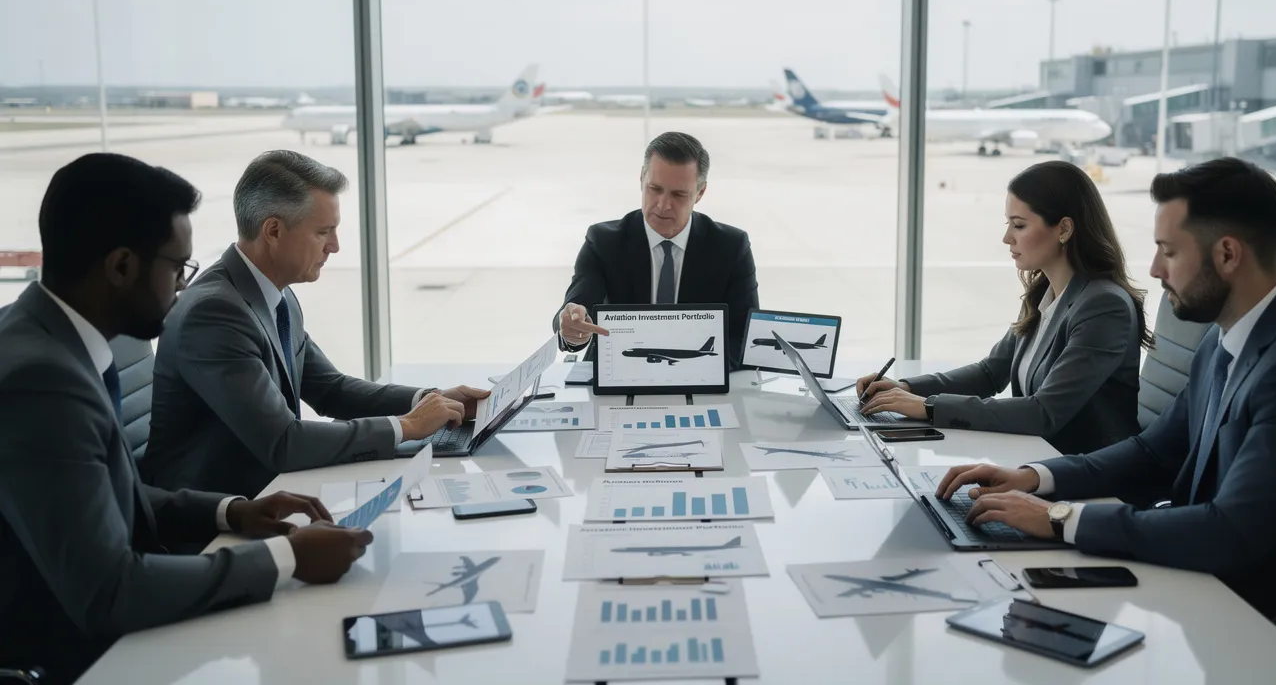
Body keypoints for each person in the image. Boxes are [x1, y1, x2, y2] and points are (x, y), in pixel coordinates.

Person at [0, 154, 373, 684]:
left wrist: (233, 513)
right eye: (177, 267)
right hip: (77, 655)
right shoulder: (41, 379)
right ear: (122, 267)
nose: (184, 286)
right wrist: (285, 559)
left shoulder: (52, 339)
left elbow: (106, 491)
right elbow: (110, 592)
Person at [936, 157, 1276, 629]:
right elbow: (1153, 451)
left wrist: (1059, 519)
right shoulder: (1222, 336)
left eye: (1168, 252)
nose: (1153, 270)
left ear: (1228, 255)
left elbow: (1230, 532)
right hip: (1198, 589)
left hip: (1265, 627)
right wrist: (1033, 477)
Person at [143, 150, 488, 499]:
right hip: (216, 515)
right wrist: (408, 426)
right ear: (273, 231)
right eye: (323, 232)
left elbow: (330, 389)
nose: (335, 247)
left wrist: (429, 399)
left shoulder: (276, 294)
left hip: (270, 492)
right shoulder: (215, 313)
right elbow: (284, 442)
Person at [856, 161, 1151, 454]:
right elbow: (990, 373)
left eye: (1019, 225)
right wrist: (907, 388)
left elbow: (1044, 412)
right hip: (1035, 458)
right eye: (1008, 224)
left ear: (1064, 228)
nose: (1007, 237)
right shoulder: (1046, 294)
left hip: (1084, 475)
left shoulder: (1104, 307)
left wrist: (928, 407)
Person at [553, 131, 759, 369]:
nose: (663, 205)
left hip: (700, 378)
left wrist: (684, 370)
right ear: (642, 178)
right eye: (654, 188)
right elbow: (575, 311)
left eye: (679, 194)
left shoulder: (731, 247)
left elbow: (745, 340)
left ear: (700, 192)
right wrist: (572, 328)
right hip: (616, 374)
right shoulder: (603, 242)